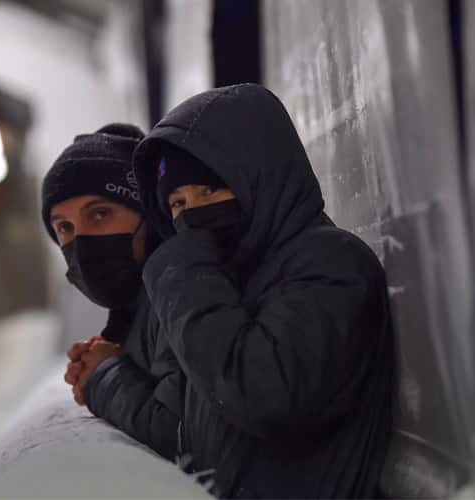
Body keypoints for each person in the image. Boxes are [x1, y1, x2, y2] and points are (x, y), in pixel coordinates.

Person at [130, 84, 395, 498]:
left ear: (261, 176)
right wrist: (104, 379)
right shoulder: (225, 285)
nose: (192, 214)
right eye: (178, 203)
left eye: (210, 190)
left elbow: (260, 395)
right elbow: (182, 429)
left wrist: (184, 277)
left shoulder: (332, 264)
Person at [41, 123, 183, 461]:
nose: (82, 240)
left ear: (148, 213)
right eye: (65, 227)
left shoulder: (179, 292)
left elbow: (188, 436)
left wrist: (103, 377)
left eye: (100, 214)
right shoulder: (137, 309)